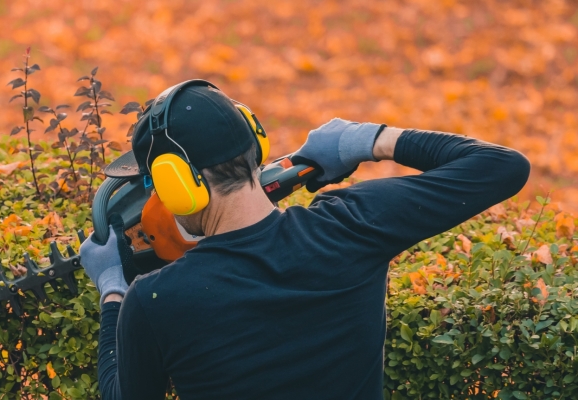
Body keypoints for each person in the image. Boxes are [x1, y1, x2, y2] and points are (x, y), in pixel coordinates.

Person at [78, 82, 530, 399]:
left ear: (176, 185)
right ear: (255, 144)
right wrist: (369, 139)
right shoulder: (351, 227)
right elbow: (501, 166)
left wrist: (113, 291)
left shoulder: (157, 299)